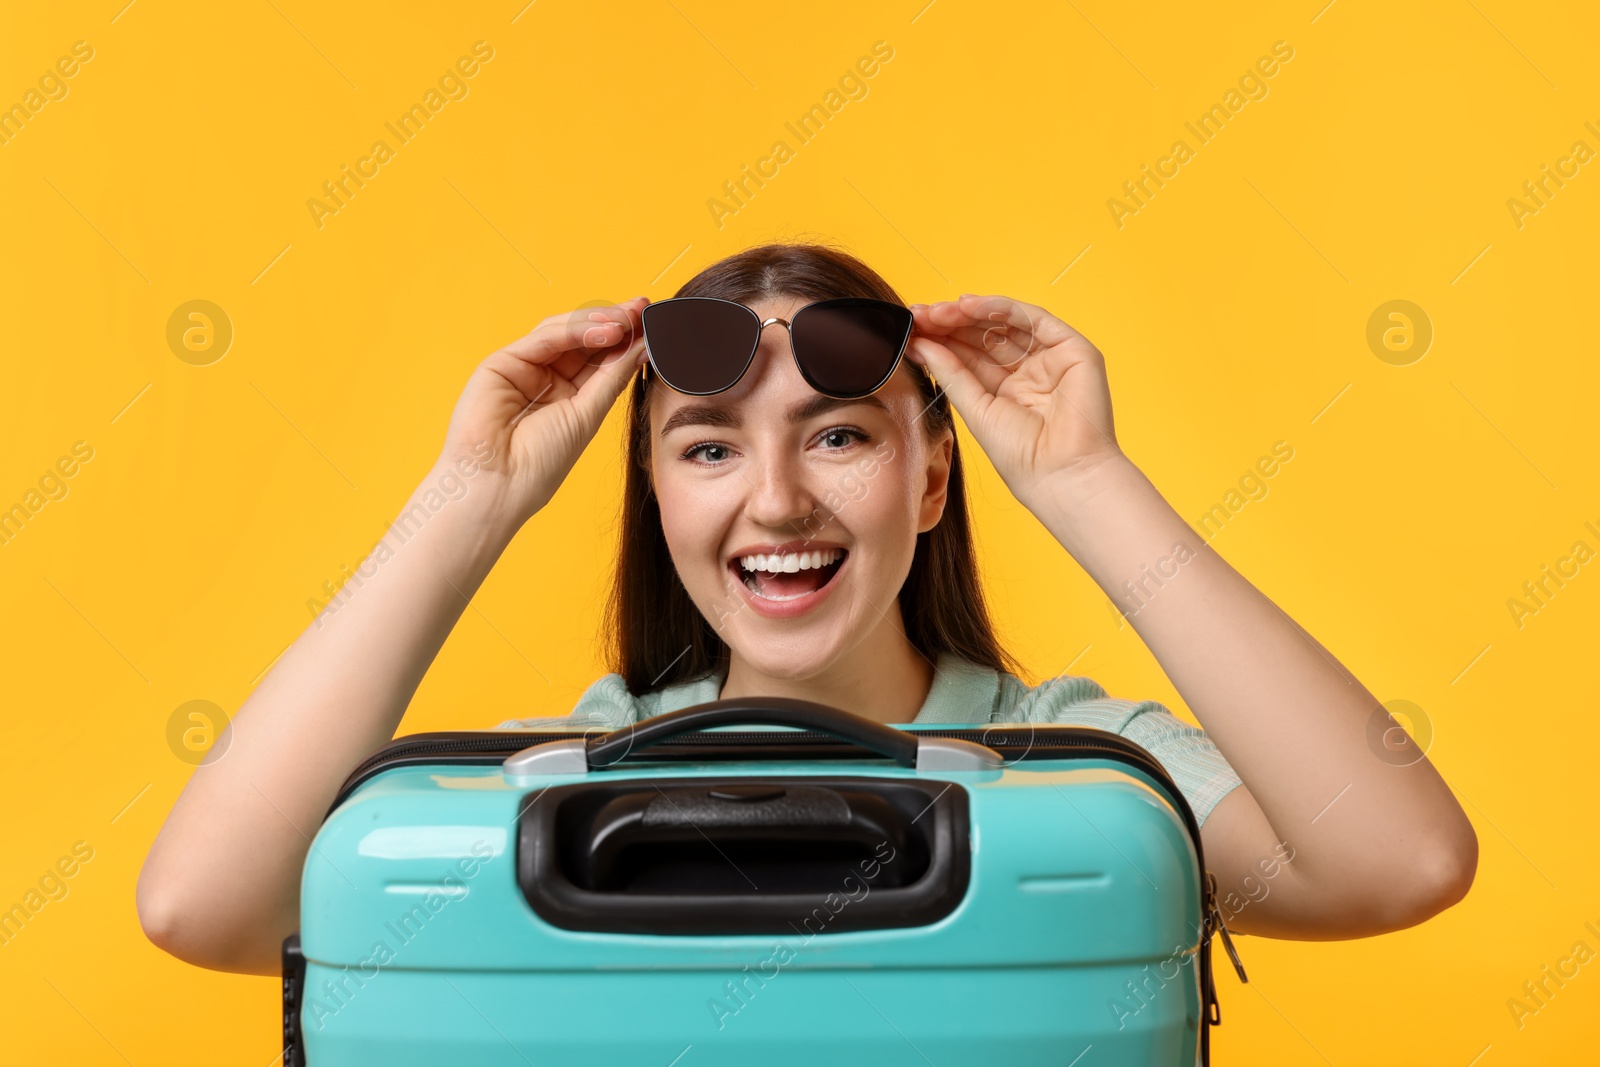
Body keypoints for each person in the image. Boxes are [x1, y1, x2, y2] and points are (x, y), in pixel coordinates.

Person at [137, 242, 1476, 976]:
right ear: (656, 496)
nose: (775, 502)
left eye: (840, 437)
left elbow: (1401, 863)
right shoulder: (574, 783)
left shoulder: (1080, 776)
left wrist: (1085, 481)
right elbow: (206, 908)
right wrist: (466, 505)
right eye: (709, 448)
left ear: (934, 475)